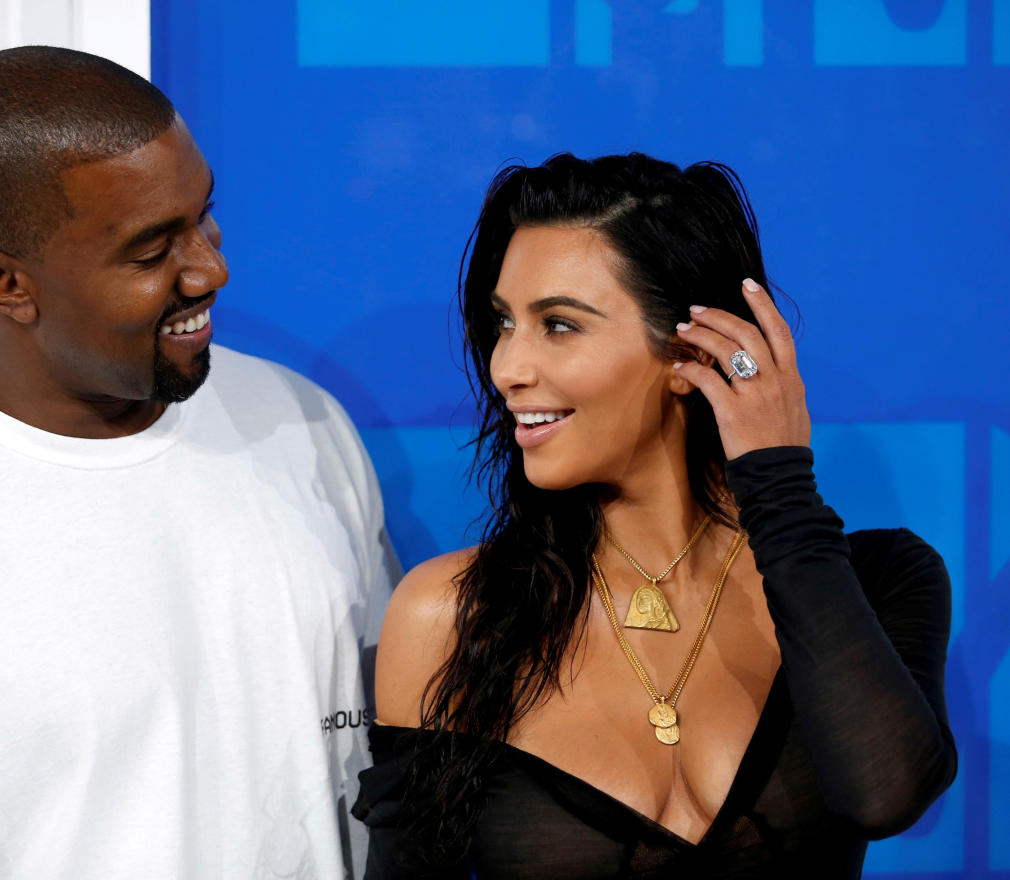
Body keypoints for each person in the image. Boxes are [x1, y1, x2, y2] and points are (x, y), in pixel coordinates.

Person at [0, 46, 396, 878]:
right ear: (3, 282)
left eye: (203, 217)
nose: (212, 267)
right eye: (150, 251)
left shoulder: (301, 421)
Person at [353, 153, 956, 877]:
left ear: (688, 351)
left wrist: (780, 486)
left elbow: (884, 795)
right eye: (504, 322)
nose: (507, 366)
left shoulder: (876, 580)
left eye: (559, 325)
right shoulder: (450, 616)